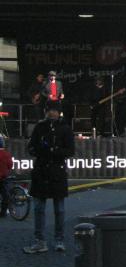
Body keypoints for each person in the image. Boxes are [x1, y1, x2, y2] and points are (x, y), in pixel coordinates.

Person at [23, 101, 75, 254]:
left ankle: (59, 240)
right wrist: (44, 149)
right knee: (39, 208)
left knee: (59, 209)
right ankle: (40, 240)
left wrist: (52, 150)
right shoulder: (40, 127)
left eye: (55, 110)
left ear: (59, 112)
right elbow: (31, 147)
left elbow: (70, 150)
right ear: (46, 111)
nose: (52, 113)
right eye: (49, 110)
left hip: (56, 171)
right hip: (42, 171)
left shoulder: (65, 128)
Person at [0, 136, 12, 218]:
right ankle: (3, 212)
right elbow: (10, 165)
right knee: (5, 195)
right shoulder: (7, 154)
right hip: (4, 177)